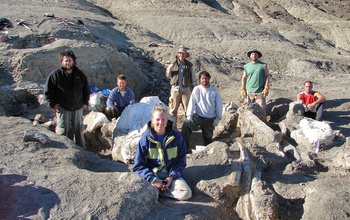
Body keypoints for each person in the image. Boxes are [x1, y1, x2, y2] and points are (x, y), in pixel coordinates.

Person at [133, 105, 192, 201]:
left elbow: (181, 162)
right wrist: (153, 180)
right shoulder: (145, 139)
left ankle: (160, 192)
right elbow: (138, 166)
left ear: (167, 120)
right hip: (153, 177)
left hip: (171, 177)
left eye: (163, 119)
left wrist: (171, 177)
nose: (160, 123)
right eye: (157, 119)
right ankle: (159, 191)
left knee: (186, 193)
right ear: (152, 121)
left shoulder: (176, 137)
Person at [44, 49, 90, 148]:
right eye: (66, 61)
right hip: (63, 107)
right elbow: (47, 92)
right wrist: (52, 104)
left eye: (69, 60)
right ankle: (64, 151)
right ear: (62, 62)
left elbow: (86, 89)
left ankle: (83, 151)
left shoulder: (79, 74)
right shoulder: (55, 75)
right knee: (63, 130)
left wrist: (85, 102)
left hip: (77, 107)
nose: (68, 63)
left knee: (79, 130)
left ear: (73, 61)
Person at [181, 71, 222, 153]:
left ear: (209, 78)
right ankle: (184, 149)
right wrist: (189, 116)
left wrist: (217, 119)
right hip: (198, 117)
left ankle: (207, 154)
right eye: (202, 78)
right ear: (200, 80)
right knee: (186, 127)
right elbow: (192, 102)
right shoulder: (197, 89)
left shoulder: (214, 90)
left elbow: (219, 105)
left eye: (206, 78)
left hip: (209, 119)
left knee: (208, 139)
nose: (204, 80)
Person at [166, 46, 197, 127]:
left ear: (185, 55)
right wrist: (170, 69)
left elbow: (193, 77)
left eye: (183, 54)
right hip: (175, 89)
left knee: (188, 109)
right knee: (173, 110)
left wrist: (194, 88)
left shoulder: (189, 65)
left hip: (186, 90)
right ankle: (173, 127)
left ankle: (187, 128)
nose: (181, 55)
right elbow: (168, 75)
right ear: (178, 54)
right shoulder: (173, 64)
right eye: (180, 53)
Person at [241, 49, 270, 116]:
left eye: (255, 54)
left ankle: (264, 121)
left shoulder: (263, 65)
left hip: (260, 91)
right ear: (250, 56)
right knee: (248, 109)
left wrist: (266, 87)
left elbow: (267, 76)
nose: (254, 55)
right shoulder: (246, 66)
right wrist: (243, 88)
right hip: (249, 91)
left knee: (262, 109)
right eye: (252, 54)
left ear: (258, 56)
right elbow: (244, 77)